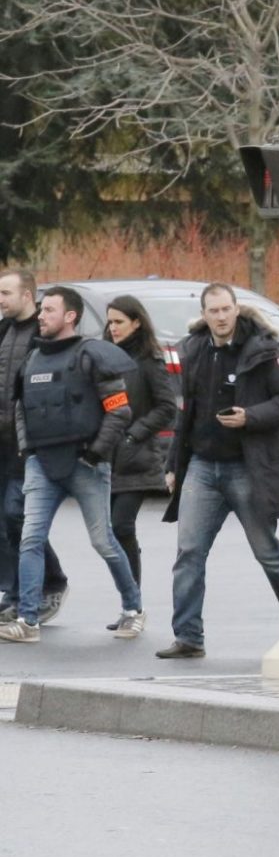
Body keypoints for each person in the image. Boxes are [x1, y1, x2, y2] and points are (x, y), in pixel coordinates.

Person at [156, 281, 279, 659]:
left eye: (226, 309)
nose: (221, 317)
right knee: (188, 553)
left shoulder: (263, 351)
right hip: (202, 467)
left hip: (247, 467)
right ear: (203, 315)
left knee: (268, 553)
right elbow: (186, 414)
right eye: (213, 311)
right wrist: (173, 465)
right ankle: (188, 637)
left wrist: (251, 416)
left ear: (236, 309)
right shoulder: (194, 350)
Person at [0, 286, 146, 643]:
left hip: (86, 465)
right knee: (31, 538)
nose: (41, 316)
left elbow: (119, 411)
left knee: (103, 541)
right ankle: (28, 620)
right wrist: (28, 450)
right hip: (41, 462)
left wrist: (95, 454)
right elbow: (21, 409)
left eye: (49, 310)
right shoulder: (33, 359)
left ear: (70, 316)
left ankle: (133, 609)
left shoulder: (91, 355)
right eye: (41, 310)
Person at [103, 294, 177, 630]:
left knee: (122, 526)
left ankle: (134, 608)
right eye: (110, 322)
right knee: (109, 534)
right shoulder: (104, 355)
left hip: (136, 457)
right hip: (105, 457)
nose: (113, 328)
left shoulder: (149, 360)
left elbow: (167, 408)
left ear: (136, 322)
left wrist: (134, 435)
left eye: (119, 322)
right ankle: (128, 605)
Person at [0, 269, 70, 624]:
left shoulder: (43, 334)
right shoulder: (3, 330)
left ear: (27, 295)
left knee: (18, 516)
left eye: (5, 293)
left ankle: (52, 582)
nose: (0, 300)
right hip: (1, 441)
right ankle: (14, 592)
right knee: (5, 522)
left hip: (26, 443)